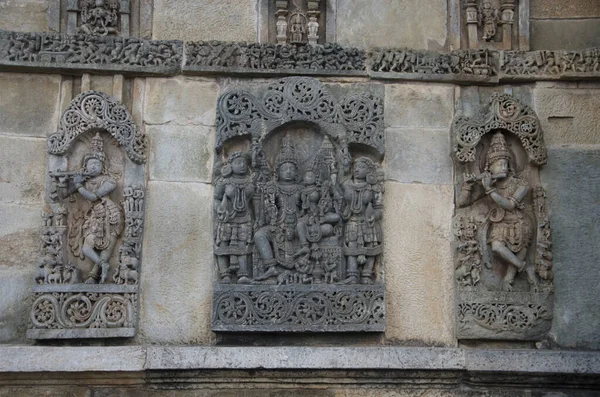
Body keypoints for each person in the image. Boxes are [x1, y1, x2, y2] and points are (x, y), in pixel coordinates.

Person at [458, 132, 536, 291]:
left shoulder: (520, 184)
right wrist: (467, 185)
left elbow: (509, 205)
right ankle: (525, 267)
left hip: (520, 222)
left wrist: (489, 190)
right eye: (499, 164)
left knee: (520, 251)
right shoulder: (490, 183)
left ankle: (509, 280)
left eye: (506, 163)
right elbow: (462, 203)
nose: (503, 167)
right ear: (489, 167)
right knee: (497, 247)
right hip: (500, 223)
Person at [55, 133, 123, 284]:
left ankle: (94, 275)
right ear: (85, 166)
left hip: (108, 215)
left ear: (103, 167)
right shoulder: (83, 180)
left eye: (97, 165)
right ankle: (102, 265)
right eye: (90, 164)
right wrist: (62, 182)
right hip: (93, 217)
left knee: (106, 244)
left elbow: (93, 197)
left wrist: (78, 185)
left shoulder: (108, 181)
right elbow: (63, 195)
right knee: (87, 247)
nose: (93, 167)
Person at [214, 152, 255, 284]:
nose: (242, 165)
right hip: (227, 218)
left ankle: (243, 274)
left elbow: (256, 201)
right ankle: (224, 274)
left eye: (244, 162)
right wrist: (220, 208)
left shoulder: (250, 180)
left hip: (245, 218)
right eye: (237, 163)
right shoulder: (224, 181)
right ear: (230, 165)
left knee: (243, 246)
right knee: (223, 244)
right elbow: (216, 198)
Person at [340, 157, 382, 284]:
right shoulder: (347, 184)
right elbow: (339, 179)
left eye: (361, 167)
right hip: (352, 221)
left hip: (368, 222)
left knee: (371, 246)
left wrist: (374, 215)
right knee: (351, 246)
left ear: (369, 171)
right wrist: (345, 164)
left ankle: (367, 275)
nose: (357, 169)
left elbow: (379, 208)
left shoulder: (373, 187)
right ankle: (352, 275)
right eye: (356, 167)